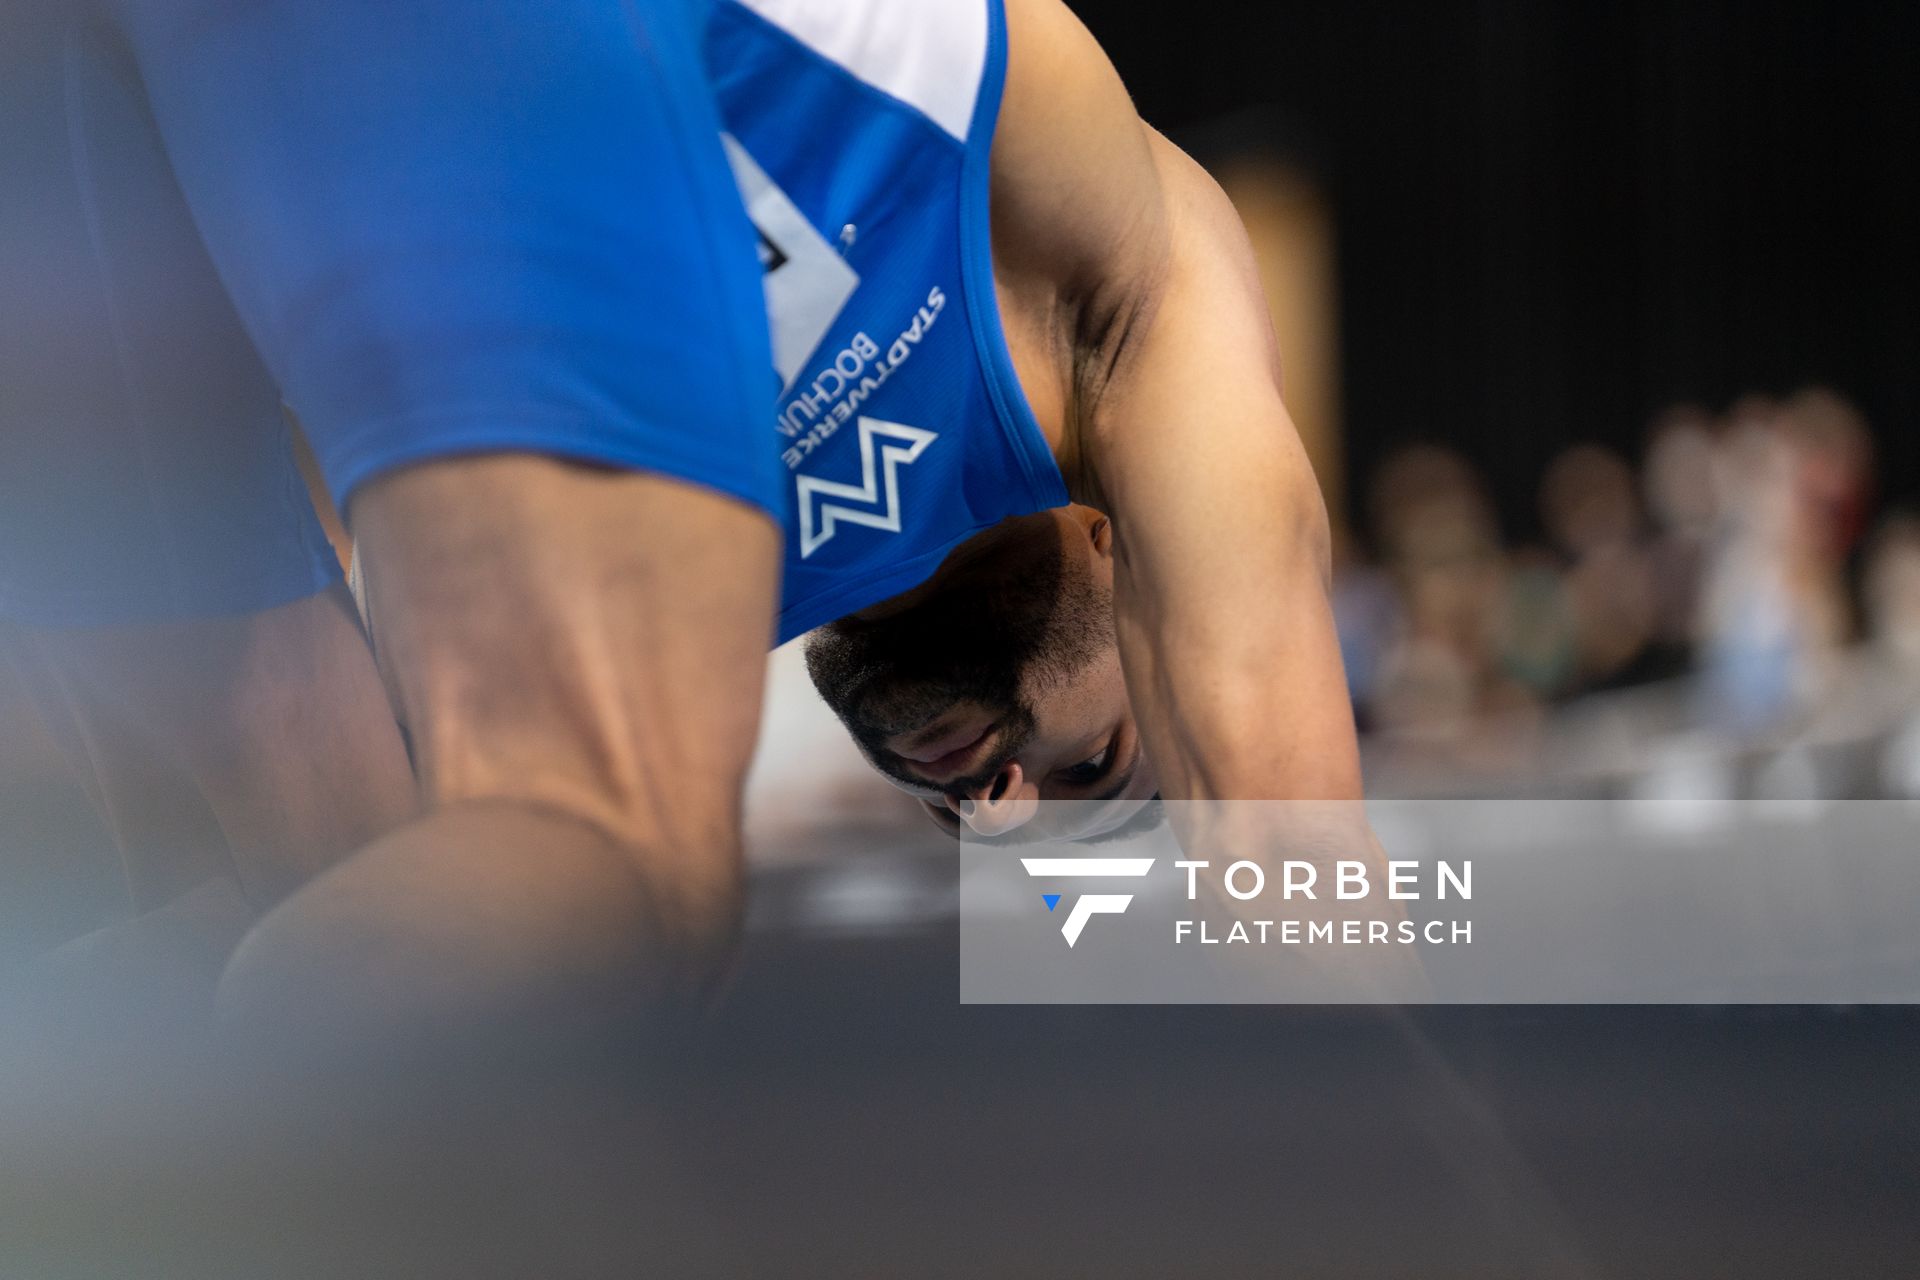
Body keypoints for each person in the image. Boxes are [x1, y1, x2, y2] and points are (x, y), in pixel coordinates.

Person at [3, 0, 1365, 1039]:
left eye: (986, 827)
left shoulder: (664, 568)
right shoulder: (1121, 307)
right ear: (1134, 563)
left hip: (74, 101)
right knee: (621, 878)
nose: (1001, 807)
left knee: (324, 893)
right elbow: (1298, 890)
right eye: (1096, 770)